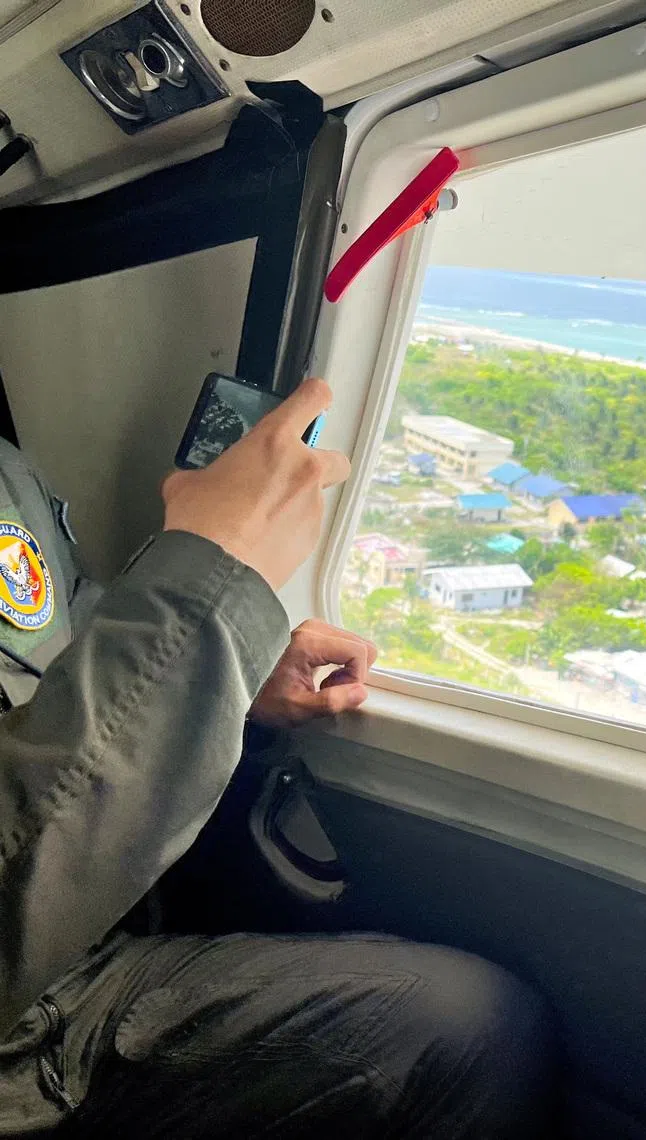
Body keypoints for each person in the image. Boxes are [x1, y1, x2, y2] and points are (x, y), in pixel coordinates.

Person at [0, 379, 554, 1137]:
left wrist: (233, 680)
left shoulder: (7, 473)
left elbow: (65, 645)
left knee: (467, 1030)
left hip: (80, 962)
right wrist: (210, 590)